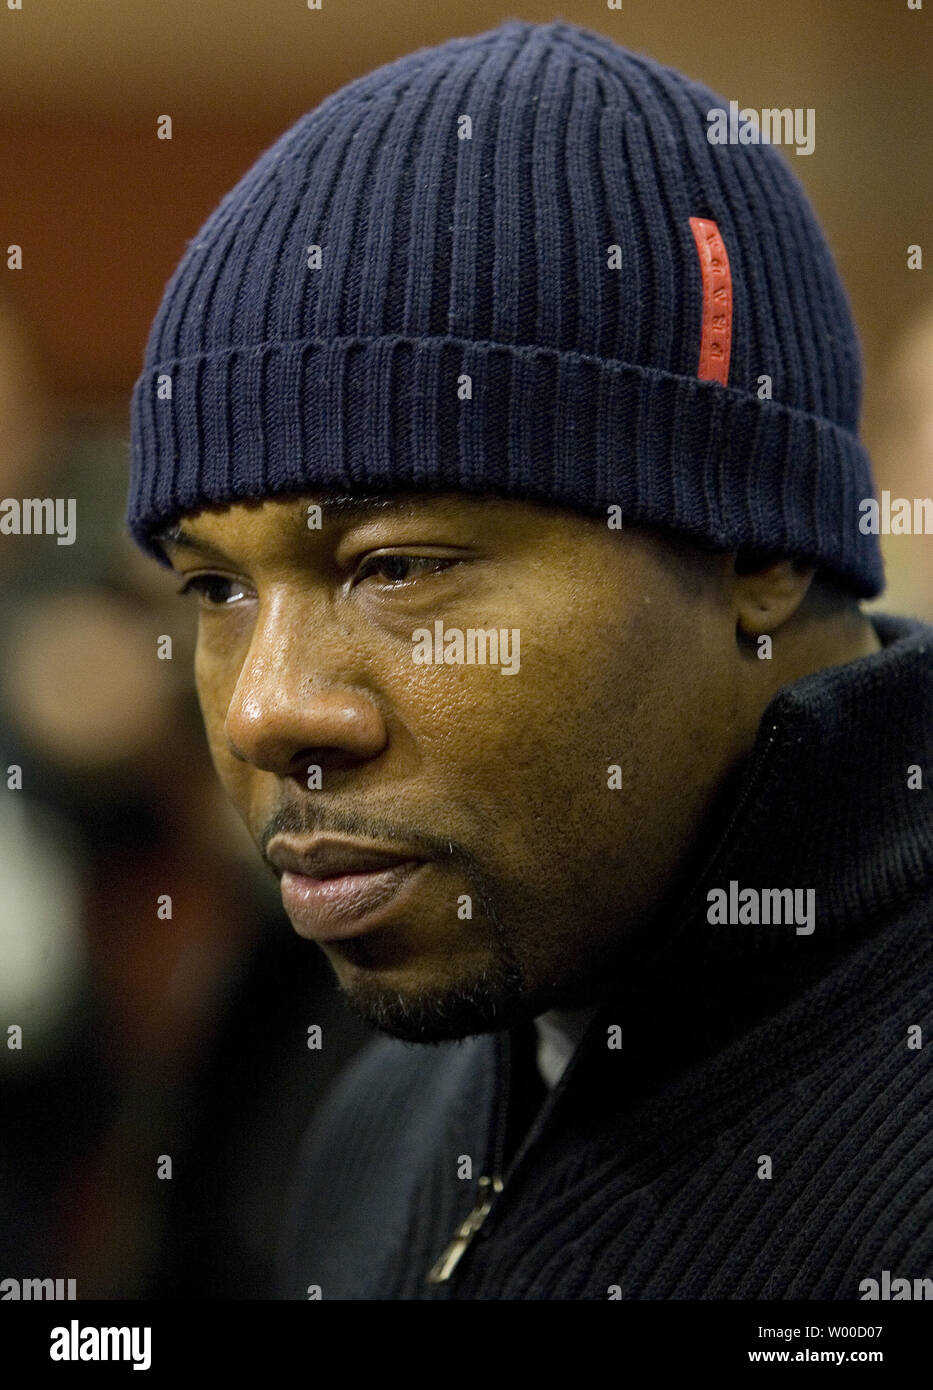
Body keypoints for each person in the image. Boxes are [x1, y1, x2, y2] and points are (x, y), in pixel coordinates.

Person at [126, 20, 933, 1299]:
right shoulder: (376, 1128)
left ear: (754, 549)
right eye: (216, 587)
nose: (267, 709)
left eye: (397, 567)